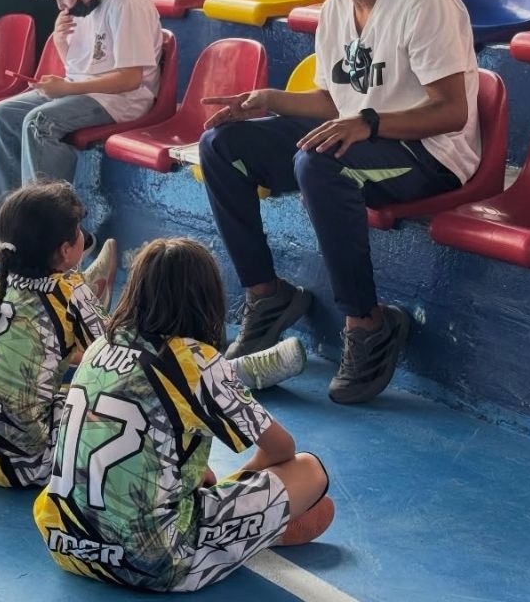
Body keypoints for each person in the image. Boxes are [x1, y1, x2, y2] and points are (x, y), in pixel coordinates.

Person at [198, 0, 479, 404]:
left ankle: (368, 324)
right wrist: (268, 100)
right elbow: (335, 101)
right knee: (221, 144)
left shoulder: (424, 2)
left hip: (431, 153)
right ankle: (267, 295)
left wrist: (368, 123)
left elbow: (452, 112)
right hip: (360, 136)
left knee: (319, 164)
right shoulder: (334, 10)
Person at [33, 238, 334, 592]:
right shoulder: (196, 359)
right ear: (207, 298)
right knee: (309, 471)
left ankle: (240, 523)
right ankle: (246, 532)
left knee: (192, 468)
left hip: (65, 542)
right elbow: (282, 449)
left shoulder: (100, 345)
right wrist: (235, 482)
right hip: (153, 564)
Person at [0, 0, 163, 263]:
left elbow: (131, 79)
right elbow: (81, 70)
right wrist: (63, 47)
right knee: (1, 115)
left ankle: (58, 236)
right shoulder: (82, 3)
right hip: (86, 91)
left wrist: (66, 89)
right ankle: (8, 234)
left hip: (122, 99)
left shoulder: (127, 0)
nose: (62, 5)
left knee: (40, 122)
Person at [0, 181, 117, 489]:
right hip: (26, 466)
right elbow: (119, 359)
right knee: (117, 416)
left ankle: (85, 313)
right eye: (78, 231)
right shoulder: (69, 290)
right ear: (64, 251)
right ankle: (95, 295)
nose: (82, 235)